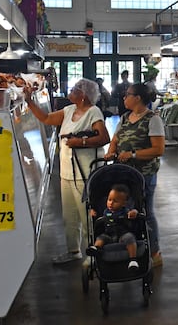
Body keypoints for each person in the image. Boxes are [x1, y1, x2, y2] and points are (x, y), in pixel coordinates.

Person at [24, 78, 110, 265]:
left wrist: (80, 142)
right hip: (67, 172)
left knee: (87, 215)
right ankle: (73, 250)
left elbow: (104, 138)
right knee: (69, 216)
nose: (70, 91)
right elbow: (46, 119)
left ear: (83, 95)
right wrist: (29, 101)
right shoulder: (69, 110)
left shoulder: (93, 112)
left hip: (85, 172)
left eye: (74, 89)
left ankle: (93, 253)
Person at [104, 82, 166, 267]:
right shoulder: (125, 117)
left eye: (127, 95)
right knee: (126, 210)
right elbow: (115, 140)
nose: (124, 98)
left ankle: (154, 251)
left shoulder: (152, 119)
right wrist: (111, 152)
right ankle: (130, 246)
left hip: (144, 175)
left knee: (145, 211)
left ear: (137, 98)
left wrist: (132, 154)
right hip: (124, 174)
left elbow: (158, 149)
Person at [86, 184, 140, 271]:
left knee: (130, 238)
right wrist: (92, 212)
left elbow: (134, 211)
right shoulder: (105, 210)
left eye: (115, 201)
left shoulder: (126, 211)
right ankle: (96, 248)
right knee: (101, 238)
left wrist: (134, 212)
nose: (111, 203)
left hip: (123, 234)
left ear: (123, 203)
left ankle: (133, 260)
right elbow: (97, 216)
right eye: (109, 199)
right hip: (108, 234)